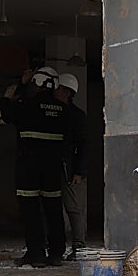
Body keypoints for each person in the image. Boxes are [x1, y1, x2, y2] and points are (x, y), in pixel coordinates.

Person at [0, 66, 69, 267]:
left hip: (29, 165)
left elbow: (0, 117)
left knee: (31, 209)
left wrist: (11, 94)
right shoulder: (63, 109)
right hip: (52, 168)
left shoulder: (26, 105)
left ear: (37, 83)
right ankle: (56, 253)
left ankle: (36, 254)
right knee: (53, 209)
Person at [55, 73, 89, 259]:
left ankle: (79, 246)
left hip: (70, 170)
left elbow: (83, 145)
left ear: (68, 92)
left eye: (59, 89)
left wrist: (79, 171)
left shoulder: (76, 116)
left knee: (74, 208)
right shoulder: (58, 112)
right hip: (58, 166)